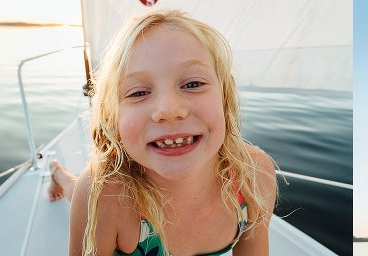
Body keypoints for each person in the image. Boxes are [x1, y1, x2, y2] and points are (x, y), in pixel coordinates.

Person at [47, 9, 277, 256]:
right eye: (138, 92)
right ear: (113, 118)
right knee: (77, 192)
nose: (168, 110)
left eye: (193, 84)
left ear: (225, 98)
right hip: (97, 197)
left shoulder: (254, 175)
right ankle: (57, 174)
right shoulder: (103, 193)